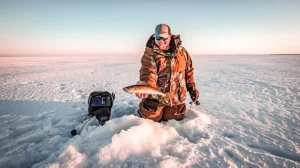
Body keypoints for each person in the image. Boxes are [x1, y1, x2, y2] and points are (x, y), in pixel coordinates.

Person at [136, 23, 199, 122]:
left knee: (173, 118)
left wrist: (192, 88)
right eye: (158, 37)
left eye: (164, 38)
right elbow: (148, 72)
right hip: (157, 98)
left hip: (175, 98)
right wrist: (147, 86)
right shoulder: (150, 53)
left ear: (170, 36)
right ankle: (150, 106)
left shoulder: (182, 52)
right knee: (150, 120)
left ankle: (173, 109)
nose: (161, 41)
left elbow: (189, 71)